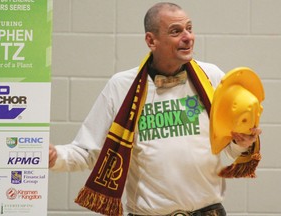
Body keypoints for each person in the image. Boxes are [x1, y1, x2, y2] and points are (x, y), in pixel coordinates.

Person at [49, 2, 261, 216]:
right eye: (176, 31)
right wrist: (54, 156)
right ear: (151, 40)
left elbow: (230, 146)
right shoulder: (122, 86)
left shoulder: (212, 77)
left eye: (189, 28)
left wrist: (240, 142)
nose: (188, 37)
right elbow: (88, 151)